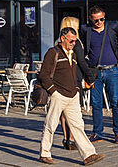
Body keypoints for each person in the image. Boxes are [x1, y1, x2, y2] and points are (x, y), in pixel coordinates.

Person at [37, 27, 103, 165]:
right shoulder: (52, 52)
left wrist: (77, 89)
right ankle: (44, 153)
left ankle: (89, 154)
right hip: (58, 94)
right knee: (51, 124)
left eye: (75, 41)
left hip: (72, 94)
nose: (74, 43)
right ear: (63, 39)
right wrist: (53, 91)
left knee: (78, 125)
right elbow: (43, 74)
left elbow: (75, 75)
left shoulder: (73, 54)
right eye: (71, 41)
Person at [80, 6, 118, 143]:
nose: (99, 22)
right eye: (96, 20)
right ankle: (97, 132)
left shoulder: (113, 27)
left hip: (112, 70)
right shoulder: (85, 30)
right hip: (95, 71)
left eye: (102, 19)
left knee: (115, 102)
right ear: (90, 19)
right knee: (96, 103)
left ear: (105, 16)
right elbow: (83, 48)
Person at [60, 16, 96, 151]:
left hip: (61, 80)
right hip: (74, 79)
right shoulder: (76, 43)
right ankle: (72, 139)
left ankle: (65, 137)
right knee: (74, 111)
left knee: (63, 112)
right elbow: (81, 61)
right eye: (77, 25)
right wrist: (90, 75)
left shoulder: (59, 42)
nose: (79, 28)